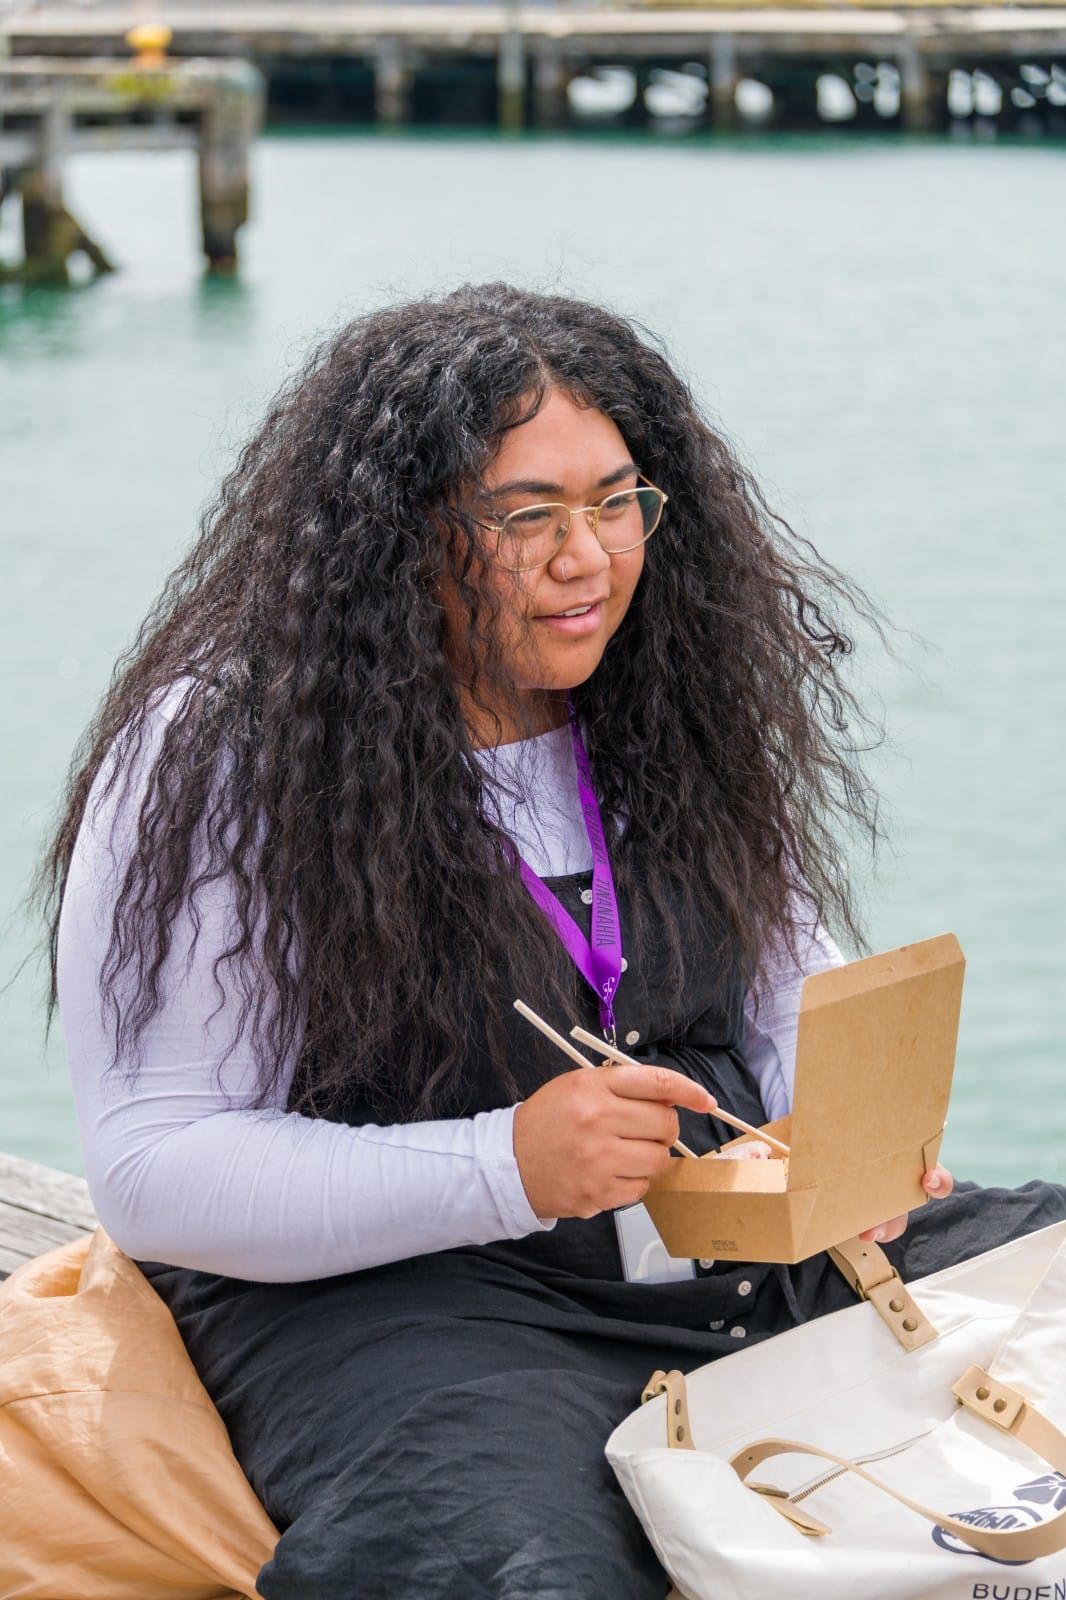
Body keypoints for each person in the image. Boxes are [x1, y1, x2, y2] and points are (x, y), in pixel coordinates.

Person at [39, 283, 1064, 1600]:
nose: (587, 558)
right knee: (507, 1567)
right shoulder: (224, 749)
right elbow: (155, 1168)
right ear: (397, 534)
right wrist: (507, 1165)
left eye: (616, 501)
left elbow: (782, 990)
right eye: (526, 516)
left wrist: (839, 1143)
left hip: (748, 1259)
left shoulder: (667, 690)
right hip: (418, 1305)